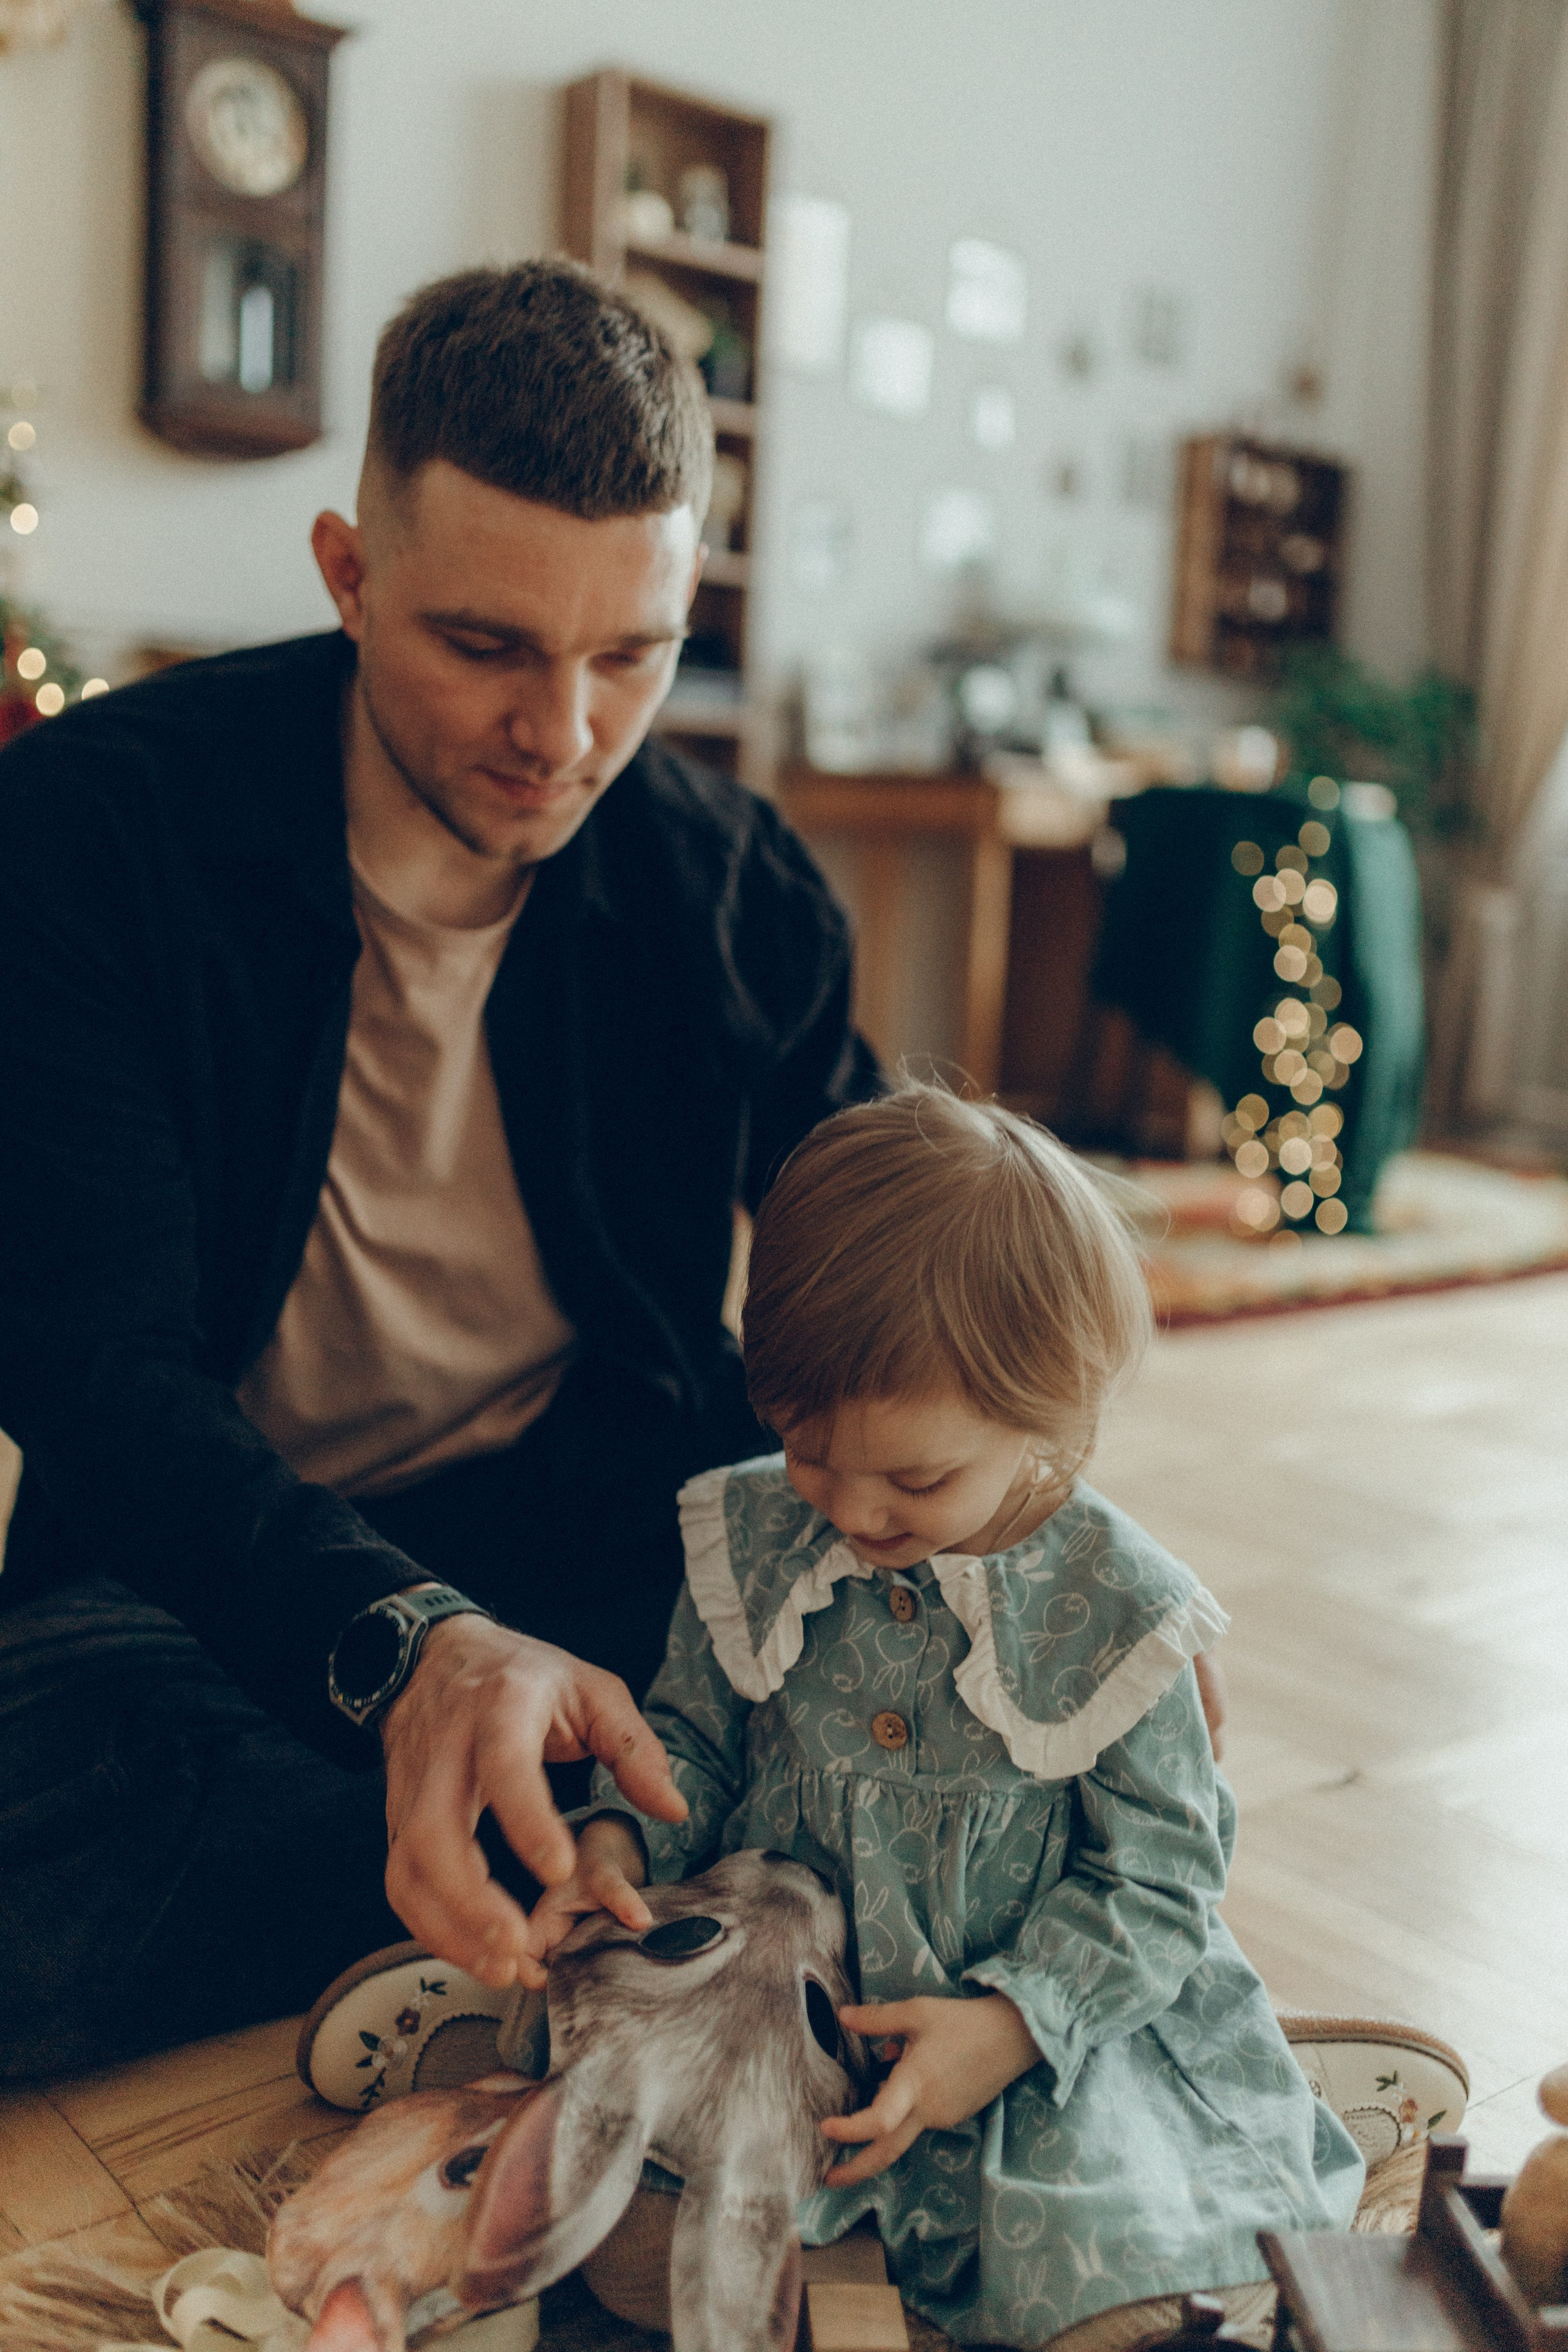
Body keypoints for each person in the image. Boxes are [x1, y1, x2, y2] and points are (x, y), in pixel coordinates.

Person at [0, 260, 883, 2078]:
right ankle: (627, 1876)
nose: (562, 735)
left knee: (936, 1685)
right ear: (347, 574)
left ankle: (524, 1876)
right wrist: (410, 1651)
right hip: (223, 1569)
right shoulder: (93, 830)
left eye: (630, 656)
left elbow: (891, 1268)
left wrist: (1045, 1532)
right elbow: (91, 1372)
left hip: (611, 1538)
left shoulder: (737, 884)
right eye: (486, 647)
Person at [521, 1086, 1365, 2346]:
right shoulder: (755, 1534)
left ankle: (1256, 2093)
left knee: (1118, 2269)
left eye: (916, 1477)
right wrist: (618, 1841)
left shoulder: (1115, 1612)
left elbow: (1162, 1877)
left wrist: (1010, 2028)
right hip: (780, 1988)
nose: (852, 1512)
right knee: (621, 2225)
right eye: (810, 1454)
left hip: (1023, 2019)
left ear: (1049, 1415)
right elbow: (688, 1737)